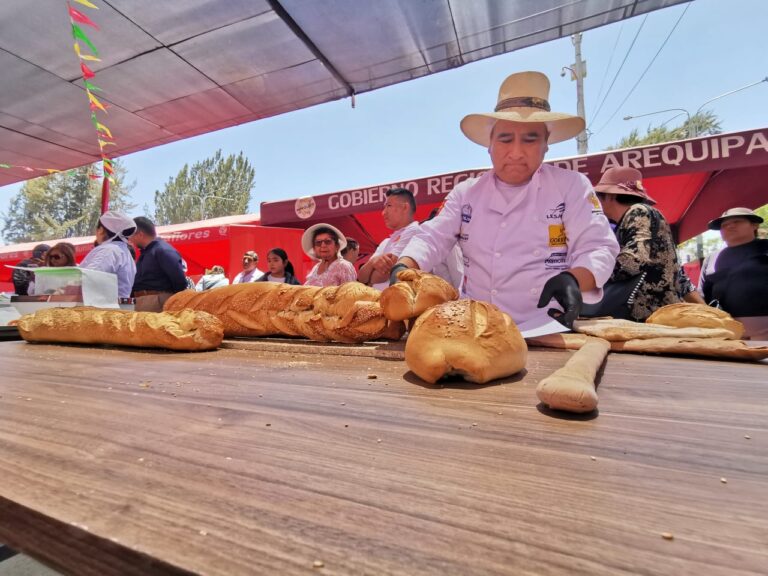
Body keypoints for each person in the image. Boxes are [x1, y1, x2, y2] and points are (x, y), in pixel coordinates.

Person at [394, 71, 619, 329]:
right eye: (505, 139)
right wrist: (404, 265)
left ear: (546, 144)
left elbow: (598, 247)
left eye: (530, 139)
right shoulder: (466, 193)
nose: (516, 152)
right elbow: (433, 237)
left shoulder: (571, 187)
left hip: (547, 325)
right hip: (476, 326)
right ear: (489, 144)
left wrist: (575, 279)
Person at [592, 166, 704, 321]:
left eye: (598, 196)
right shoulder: (644, 217)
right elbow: (677, 273)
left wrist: (588, 278)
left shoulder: (638, 211)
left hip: (645, 316)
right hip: (661, 315)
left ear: (610, 196)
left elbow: (633, 261)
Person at [699, 207, 768, 339]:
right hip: (725, 331)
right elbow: (702, 294)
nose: (729, 226)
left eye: (737, 221)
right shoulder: (711, 258)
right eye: (724, 225)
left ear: (754, 225)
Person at [358, 187, 421, 290]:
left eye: (389, 206)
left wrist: (369, 278)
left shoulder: (414, 231)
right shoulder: (386, 242)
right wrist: (373, 261)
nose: (383, 213)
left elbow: (385, 274)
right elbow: (361, 277)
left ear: (405, 207)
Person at [130, 216, 187, 312]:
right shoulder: (147, 252)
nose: (130, 239)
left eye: (131, 235)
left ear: (140, 234)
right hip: (143, 301)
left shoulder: (163, 250)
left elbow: (179, 282)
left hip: (157, 302)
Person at [79, 211, 137, 298]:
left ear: (101, 230)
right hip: (119, 307)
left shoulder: (108, 250)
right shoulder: (124, 252)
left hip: (104, 308)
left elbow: (88, 278)